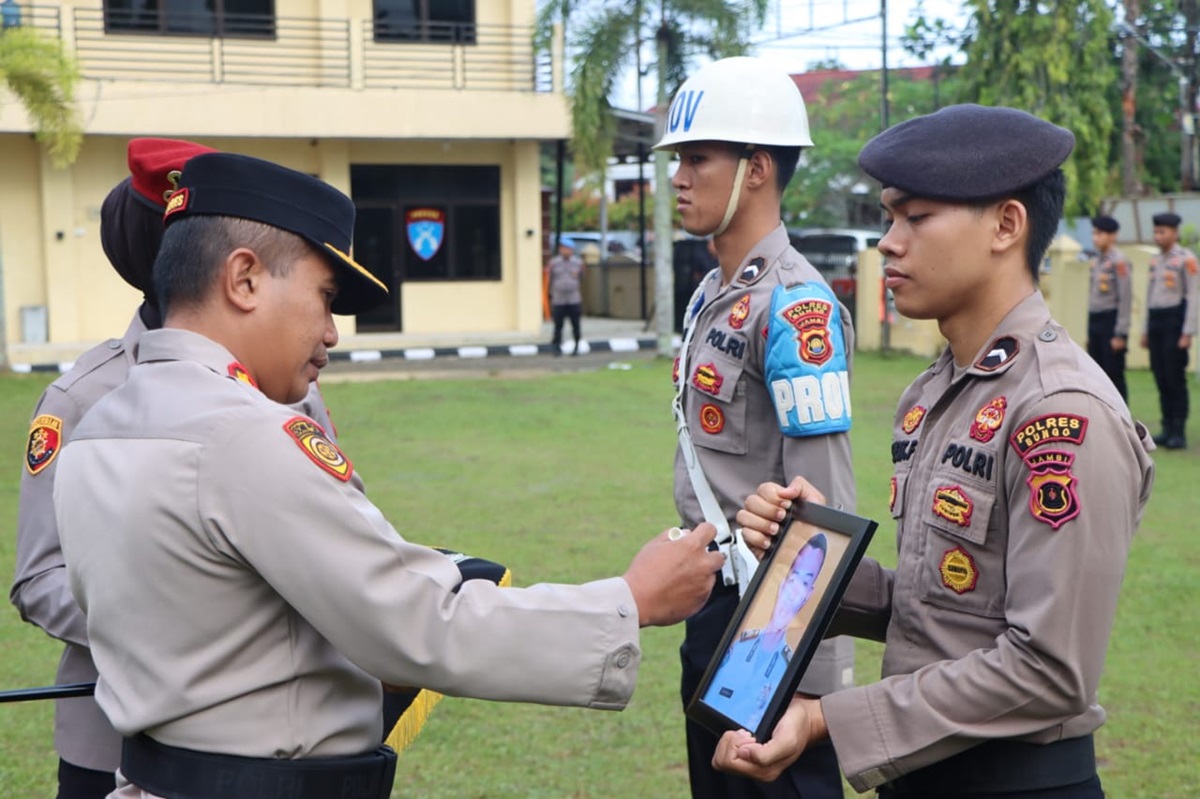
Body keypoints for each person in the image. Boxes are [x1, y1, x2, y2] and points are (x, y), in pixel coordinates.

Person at [52, 151, 726, 799]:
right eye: (323, 296)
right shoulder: (241, 433)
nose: (332, 331)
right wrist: (629, 599)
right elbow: (416, 622)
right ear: (245, 278)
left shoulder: (100, 423)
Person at [713, 104, 1156, 799]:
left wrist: (829, 718)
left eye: (915, 218)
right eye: (890, 218)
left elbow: (1049, 667)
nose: (889, 242)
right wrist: (804, 556)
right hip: (925, 776)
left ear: (1007, 226)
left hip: (1015, 785)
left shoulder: (1060, 412)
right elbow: (939, 610)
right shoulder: (940, 392)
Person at [654, 56, 855, 799]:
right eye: (677, 159)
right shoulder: (715, 291)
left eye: (697, 158)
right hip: (711, 603)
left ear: (758, 167)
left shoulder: (796, 308)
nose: (678, 176)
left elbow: (824, 509)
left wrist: (813, 682)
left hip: (770, 623)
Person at [10, 138, 231, 799]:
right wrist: (159, 623)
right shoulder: (81, 397)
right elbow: (39, 577)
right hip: (111, 741)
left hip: (257, 736)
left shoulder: (286, 384)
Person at [702, 534, 828, 732]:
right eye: (793, 578)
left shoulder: (788, 667)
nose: (794, 591)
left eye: (804, 583)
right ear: (781, 582)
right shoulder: (739, 644)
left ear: (808, 595)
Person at [1139, 211, 1197, 449]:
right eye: (1156, 231)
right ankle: (1165, 426)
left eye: (1162, 232)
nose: (1158, 236)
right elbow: (1150, 296)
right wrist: (1145, 329)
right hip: (1156, 321)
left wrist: (1188, 332)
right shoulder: (1156, 260)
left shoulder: (1186, 259)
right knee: (1161, 375)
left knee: (1175, 377)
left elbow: (1194, 296)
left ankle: (1178, 430)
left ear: (1175, 233)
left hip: (1175, 321)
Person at [1085, 215, 1131, 401]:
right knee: (1096, 373)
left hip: (1110, 321)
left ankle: (1122, 420)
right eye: (1094, 233)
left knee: (1113, 374)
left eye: (1100, 234)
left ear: (1113, 235)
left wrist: (1120, 333)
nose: (1096, 238)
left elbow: (1125, 298)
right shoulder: (1096, 262)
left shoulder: (1119, 261)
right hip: (1095, 321)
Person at [546, 236, 585, 354]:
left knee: (575, 325)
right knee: (558, 325)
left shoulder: (578, 263)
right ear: (560, 249)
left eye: (568, 248)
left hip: (573, 299)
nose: (565, 251)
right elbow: (549, 279)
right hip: (559, 299)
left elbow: (582, 277)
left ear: (572, 250)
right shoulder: (554, 263)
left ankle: (577, 346)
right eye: (563, 248)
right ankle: (556, 347)